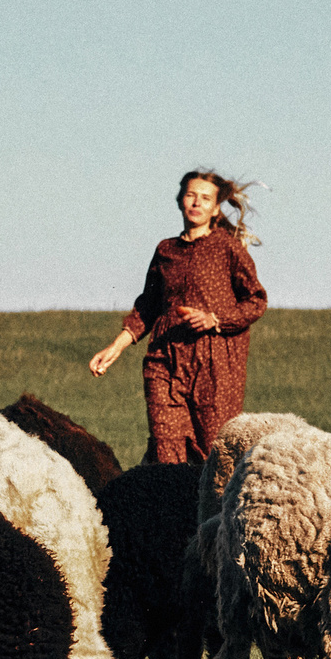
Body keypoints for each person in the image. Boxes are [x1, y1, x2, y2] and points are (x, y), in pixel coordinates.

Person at [88, 168, 268, 464]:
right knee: (166, 451)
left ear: (215, 208)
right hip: (164, 361)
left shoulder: (227, 247)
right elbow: (148, 305)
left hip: (215, 366)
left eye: (205, 198)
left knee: (215, 455)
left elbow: (256, 300)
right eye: (191, 195)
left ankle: (211, 511)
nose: (197, 203)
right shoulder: (166, 250)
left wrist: (215, 319)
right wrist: (115, 347)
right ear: (180, 201)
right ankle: (170, 509)